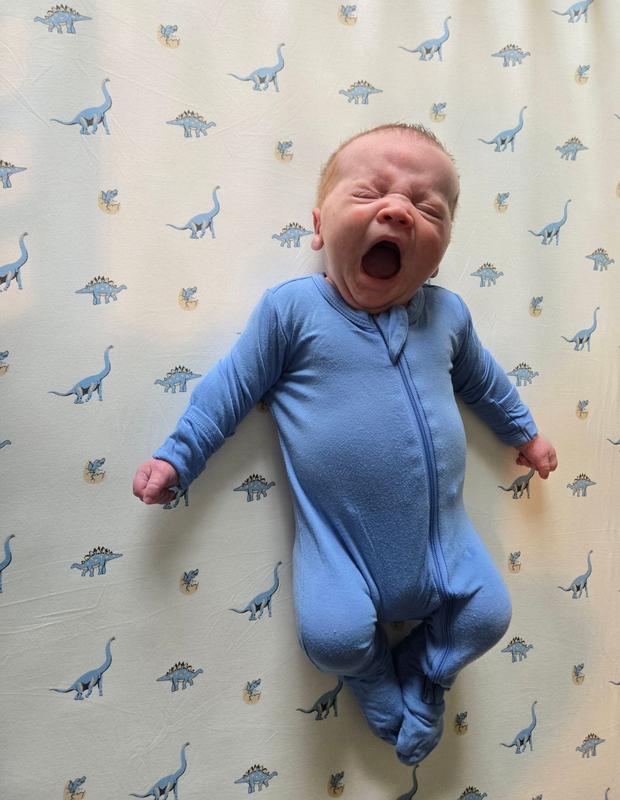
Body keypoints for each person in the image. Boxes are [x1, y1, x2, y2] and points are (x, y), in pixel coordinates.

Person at [133, 123, 558, 765]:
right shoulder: (292, 311)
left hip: (446, 544)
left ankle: (427, 673)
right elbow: (230, 388)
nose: (398, 210)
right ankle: (375, 679)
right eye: (369, 193)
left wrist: (524, 432)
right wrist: (178, 456)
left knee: (489, 617)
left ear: (440, 254)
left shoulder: (447, 316)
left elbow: (484, 381)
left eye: (428, 209)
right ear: (319, 228)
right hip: (340, 548)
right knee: (332, 638)